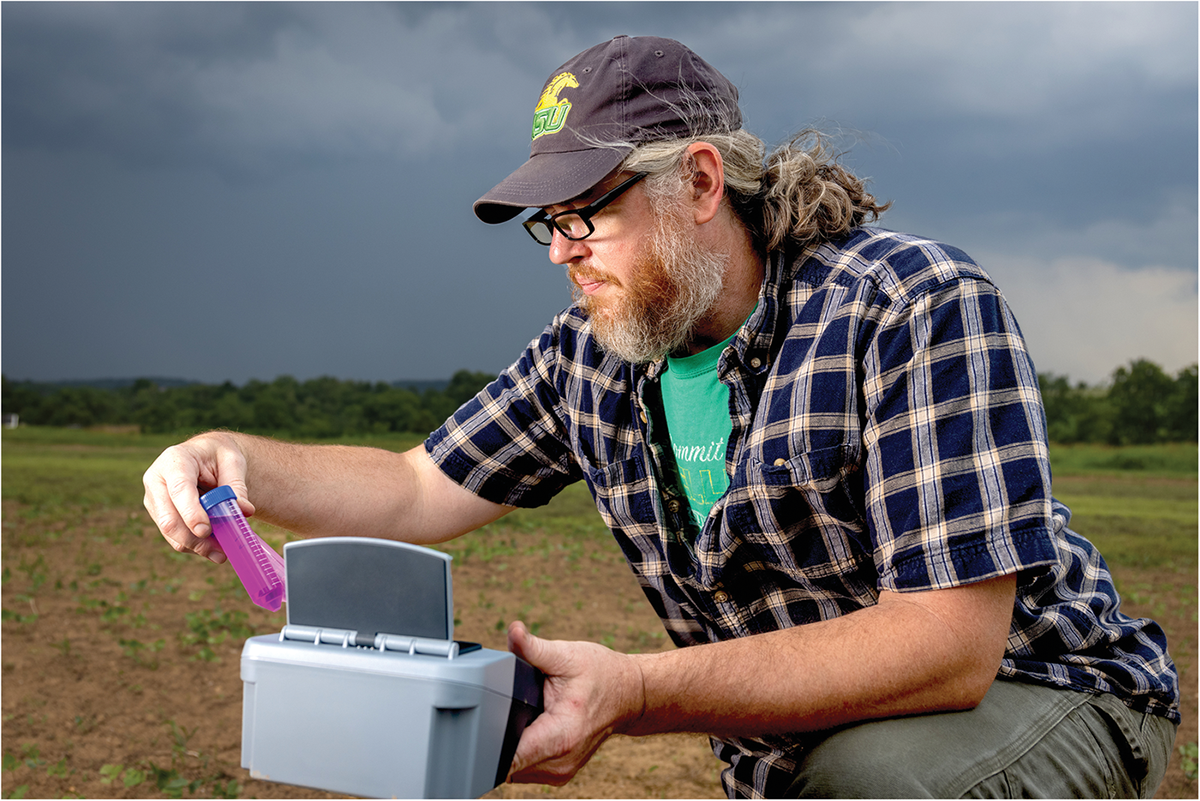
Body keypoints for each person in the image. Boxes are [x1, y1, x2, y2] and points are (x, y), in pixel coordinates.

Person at [144, 35, 1179, 798]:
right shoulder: (589, 360)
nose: (563, 250)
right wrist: (237, 460)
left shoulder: (908, 304)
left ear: (698, 181)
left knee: (878, 786)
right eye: (549, 224)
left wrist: (637, 692)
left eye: (589, 211)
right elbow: (417, 486)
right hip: (805, 748)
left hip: (1047, 693)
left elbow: (947, 645)